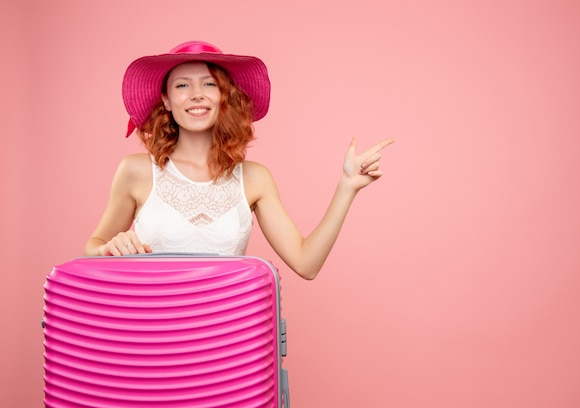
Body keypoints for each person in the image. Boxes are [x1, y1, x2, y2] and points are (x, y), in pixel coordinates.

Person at [85, 40, 395, 280]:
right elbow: (94, 245)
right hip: (152, 334)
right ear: (166, 99)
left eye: (209, 84)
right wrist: (107, 248)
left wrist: (347, 187)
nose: (197, 95)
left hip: (229, 341)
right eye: (182, 85)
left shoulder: (254, 178)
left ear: (224, 97)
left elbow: (306, 264)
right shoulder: (136, 171)